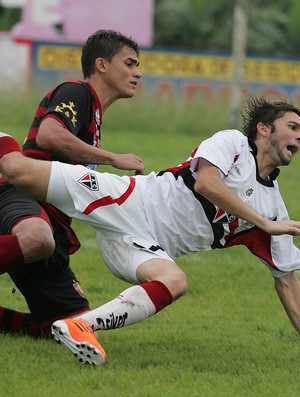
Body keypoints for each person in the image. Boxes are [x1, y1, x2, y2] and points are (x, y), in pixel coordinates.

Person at [1, 97, 300, 365]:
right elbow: (206, 183)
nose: (298, 136)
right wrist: (262, 223)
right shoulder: (233, 143)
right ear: (263, 129)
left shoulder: (273, 208)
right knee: (19, 170)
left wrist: (267, 222)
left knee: (176, 280)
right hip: (128, 200)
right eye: (293, 126)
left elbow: (287, 282)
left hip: (141, 246)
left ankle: (82, 326)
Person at [0, 29, 145, 337]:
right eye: (130, 64)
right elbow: (49, 135)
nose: (137, 73)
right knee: (37, 239)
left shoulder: (94, 114)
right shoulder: (77, 91)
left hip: (53, 218)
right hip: (22, 196)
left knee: (69, 326)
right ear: (102, 65)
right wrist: (113, 158)